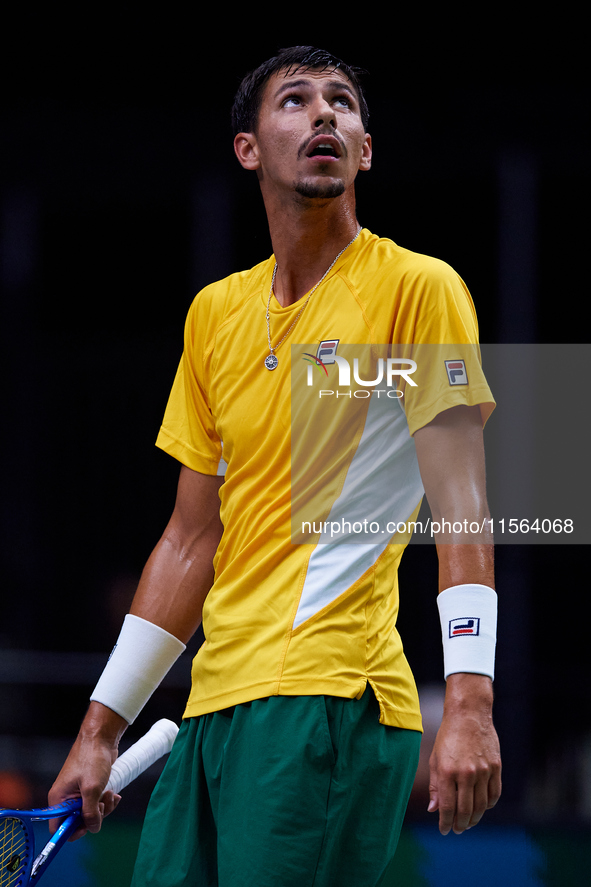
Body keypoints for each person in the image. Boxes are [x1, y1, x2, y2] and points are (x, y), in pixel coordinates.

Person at [49, 46, 502, 886]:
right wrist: (98, 729)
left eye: (342, 103)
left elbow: (464, 508)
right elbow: (191, 539)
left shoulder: (417, 288)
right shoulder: (214, 314)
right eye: (294, 101)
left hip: (331, 699)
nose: (324, 114)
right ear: (248, 148)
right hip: (211, 708)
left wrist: (469, 701)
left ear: (365, 149)